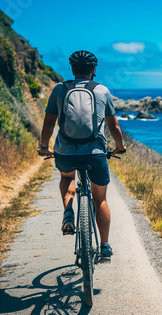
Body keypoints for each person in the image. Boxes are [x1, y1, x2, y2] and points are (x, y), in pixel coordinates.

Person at [37, 50, 126, 263]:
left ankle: (69, 211)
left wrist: (43, 147)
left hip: (65, 153)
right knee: (100, 199)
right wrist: (119, 147)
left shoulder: (59, 89)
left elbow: (48, 124)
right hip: (95, 154)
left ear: (72, 69)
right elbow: (114, 125)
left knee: (67, 178)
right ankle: (104, 246)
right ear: (94, 70)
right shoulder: (102, 90)